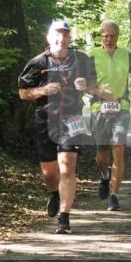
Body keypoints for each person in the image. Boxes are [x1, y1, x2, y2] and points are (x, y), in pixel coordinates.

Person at [17, 19, 96, 234]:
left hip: (72, 119)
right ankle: (54, 191)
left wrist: (85, 86)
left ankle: (64, 217)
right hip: (45, 120)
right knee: (50, 173)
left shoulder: (82, 59)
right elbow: (23, 93)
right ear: (49, 38)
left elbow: (94, 86)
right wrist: (42, 91)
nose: (61, 39)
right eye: (57, 35)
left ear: (69, 38)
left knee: (68, 166)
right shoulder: (38, 63)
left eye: (65, 35)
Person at [89, 20, 131, 212]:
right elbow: (85, 84)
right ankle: (105, 176)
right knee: (101, 155)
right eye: (105, 36)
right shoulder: (92, 56)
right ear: (100, 37)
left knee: (119, 147)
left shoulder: (128, 55)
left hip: (121, 106)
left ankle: (114, 195)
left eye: (112, 36)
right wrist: (98, 91)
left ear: (118, 36)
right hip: (98, 108)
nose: (109, 39)